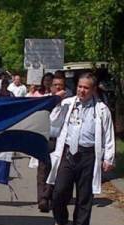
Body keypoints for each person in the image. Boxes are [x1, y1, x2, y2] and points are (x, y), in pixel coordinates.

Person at [47, 72, 115, 225]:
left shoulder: (101, 110)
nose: (81, 90)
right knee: (58, 192)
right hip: (68, 153)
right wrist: (57, 102)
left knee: (84, 197)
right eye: (79, 86)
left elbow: (108, 135)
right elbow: (53, 124)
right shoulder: (67, 104)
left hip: (88, 156)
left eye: (86, 88)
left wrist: (108, 158)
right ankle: (62, 221)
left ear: (93, 90)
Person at [35, 73, 69, 213]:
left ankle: (50, 195)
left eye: (61, 85)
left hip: (61, 141)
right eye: (56, 85)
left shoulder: (69, 104)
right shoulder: (44, 101)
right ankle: (42, 199)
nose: (58, 87)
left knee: (56, 170)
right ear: (51, 87)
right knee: (43, 169)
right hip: (45, 139)